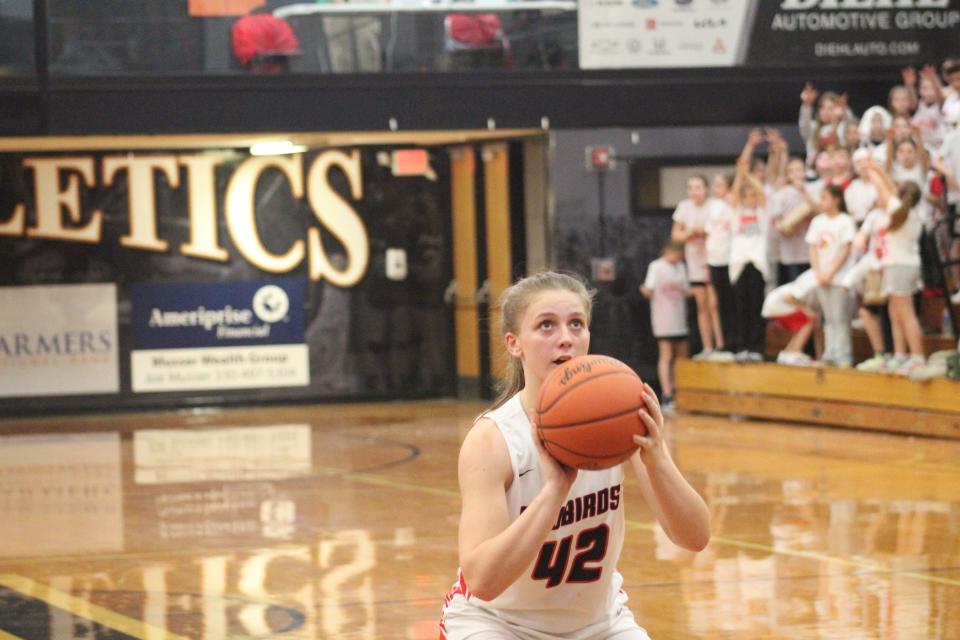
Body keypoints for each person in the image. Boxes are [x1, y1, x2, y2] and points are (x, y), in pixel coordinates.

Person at [439, 271, 710, 639]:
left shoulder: (617, 417)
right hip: (499, 623)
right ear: (514, 343)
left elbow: (695, 537)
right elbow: (483, 580)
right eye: (546, 326)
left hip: (598, 625)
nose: (565, 338)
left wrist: (657, 457)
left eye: (576, 324)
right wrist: (554, 492)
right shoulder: (493, 440)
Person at [865, 164, 927, 375]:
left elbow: (884, 188)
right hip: (898, 266)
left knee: (906, 314)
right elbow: (890, 188)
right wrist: (877, 168)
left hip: (901, 267)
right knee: (894, 313)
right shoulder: (908, 212)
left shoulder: (902, 212)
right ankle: (900, 355)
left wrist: (871, 169)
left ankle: (917, 356)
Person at [729, 139, 772, 362]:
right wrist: (741, 174)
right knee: (741, 308)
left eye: (753, 196)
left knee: (757, 308)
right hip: (739, 264)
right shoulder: (737, 212)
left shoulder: (763, 213)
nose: (751, 199)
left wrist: (750, 177)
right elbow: (735, 193)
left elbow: (763, 195)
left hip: (756, 264)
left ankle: (757, 347)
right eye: (747, 196)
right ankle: (742, 347)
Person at [806, 184, 855, 367]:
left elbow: (845, 249)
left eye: (825, 197)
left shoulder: (845, 221)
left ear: (836, 200)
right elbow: (812, 248)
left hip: (839, 278)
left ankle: (844, 355)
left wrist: (831, 273)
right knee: (828, 318)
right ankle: (830, 353)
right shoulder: (818, 222)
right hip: (821, 277)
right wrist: (818, 272)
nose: (821, 202)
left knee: (840, 317)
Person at [671, 176, 719, 360]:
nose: (694, 191)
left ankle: (721, 346)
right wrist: (691, 232)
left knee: (715, 305)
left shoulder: (715, 205)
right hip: (695, 262)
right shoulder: (684, 207)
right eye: (691, 188)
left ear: (706, 189)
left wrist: (705, 232)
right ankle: (708, 347)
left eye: (698, 187)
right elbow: (676, 235)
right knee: (702, 306)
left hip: (715, 260)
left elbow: (720, 230)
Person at [641, 242, 691, 414]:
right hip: (663, 318)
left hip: (679, 318)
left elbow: (686, 290)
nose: (679, 258)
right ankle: (667, 394)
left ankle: (680, 390)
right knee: (667, 355)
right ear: (669, 251)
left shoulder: (681, 267)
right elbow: (648, 289)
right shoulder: (656, 266)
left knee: (682, 355)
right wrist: (645, 291)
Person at [705, 173, 736, 361]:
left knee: (732, 303)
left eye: (720, 185)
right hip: (715, 259)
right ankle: (723, 343)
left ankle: (734, 342)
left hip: (731, 259)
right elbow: (710, 233)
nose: (717, 189)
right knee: (721, 304)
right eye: (715, 185)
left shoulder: (734, 204)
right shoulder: (714, 206)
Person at [762, 269, 819, 366]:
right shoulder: (813, 280)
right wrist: (806, 310)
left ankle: (788, 353)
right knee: (809, 320)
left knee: (803, 322)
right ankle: (794, 352)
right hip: (778, 304)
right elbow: (788, 296)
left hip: (775, 305)